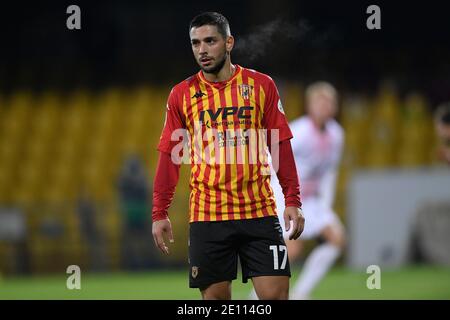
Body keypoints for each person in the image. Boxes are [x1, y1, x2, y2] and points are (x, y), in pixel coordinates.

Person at [151, 12, 304, 300]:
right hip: (209, 216)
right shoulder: (181, 95)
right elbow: (170, 156)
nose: (202, 50)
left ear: (229, 42)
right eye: (196, 43)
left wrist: (292, 199)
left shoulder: (262, 86)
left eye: (210, 41)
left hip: (259, 211)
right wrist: (160, 212)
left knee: (276, 297)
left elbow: (280, 145)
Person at [269, 81, 345, 300]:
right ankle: (257, 298)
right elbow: (272, 158)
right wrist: (280, 198)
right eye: (320, 101)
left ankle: (301, 293)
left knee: (337, 239)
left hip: (311, 200)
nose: (325, 106)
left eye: (329, 102)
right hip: (287, 196)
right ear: (310, 105)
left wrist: (326, 204)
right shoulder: (299, 131)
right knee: (292, 249)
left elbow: (330, 171)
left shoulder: (337, 134)